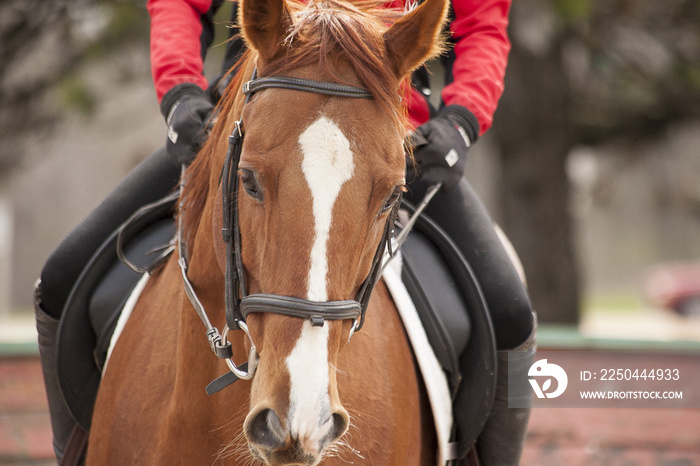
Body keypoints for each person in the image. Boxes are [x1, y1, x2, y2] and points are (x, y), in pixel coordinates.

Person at [36, 0, 535, 463]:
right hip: (257, 120)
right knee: (61, 281)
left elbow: (482, 24)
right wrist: (180, 91)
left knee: (509, 314)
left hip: (388, 136)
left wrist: (462, 120)